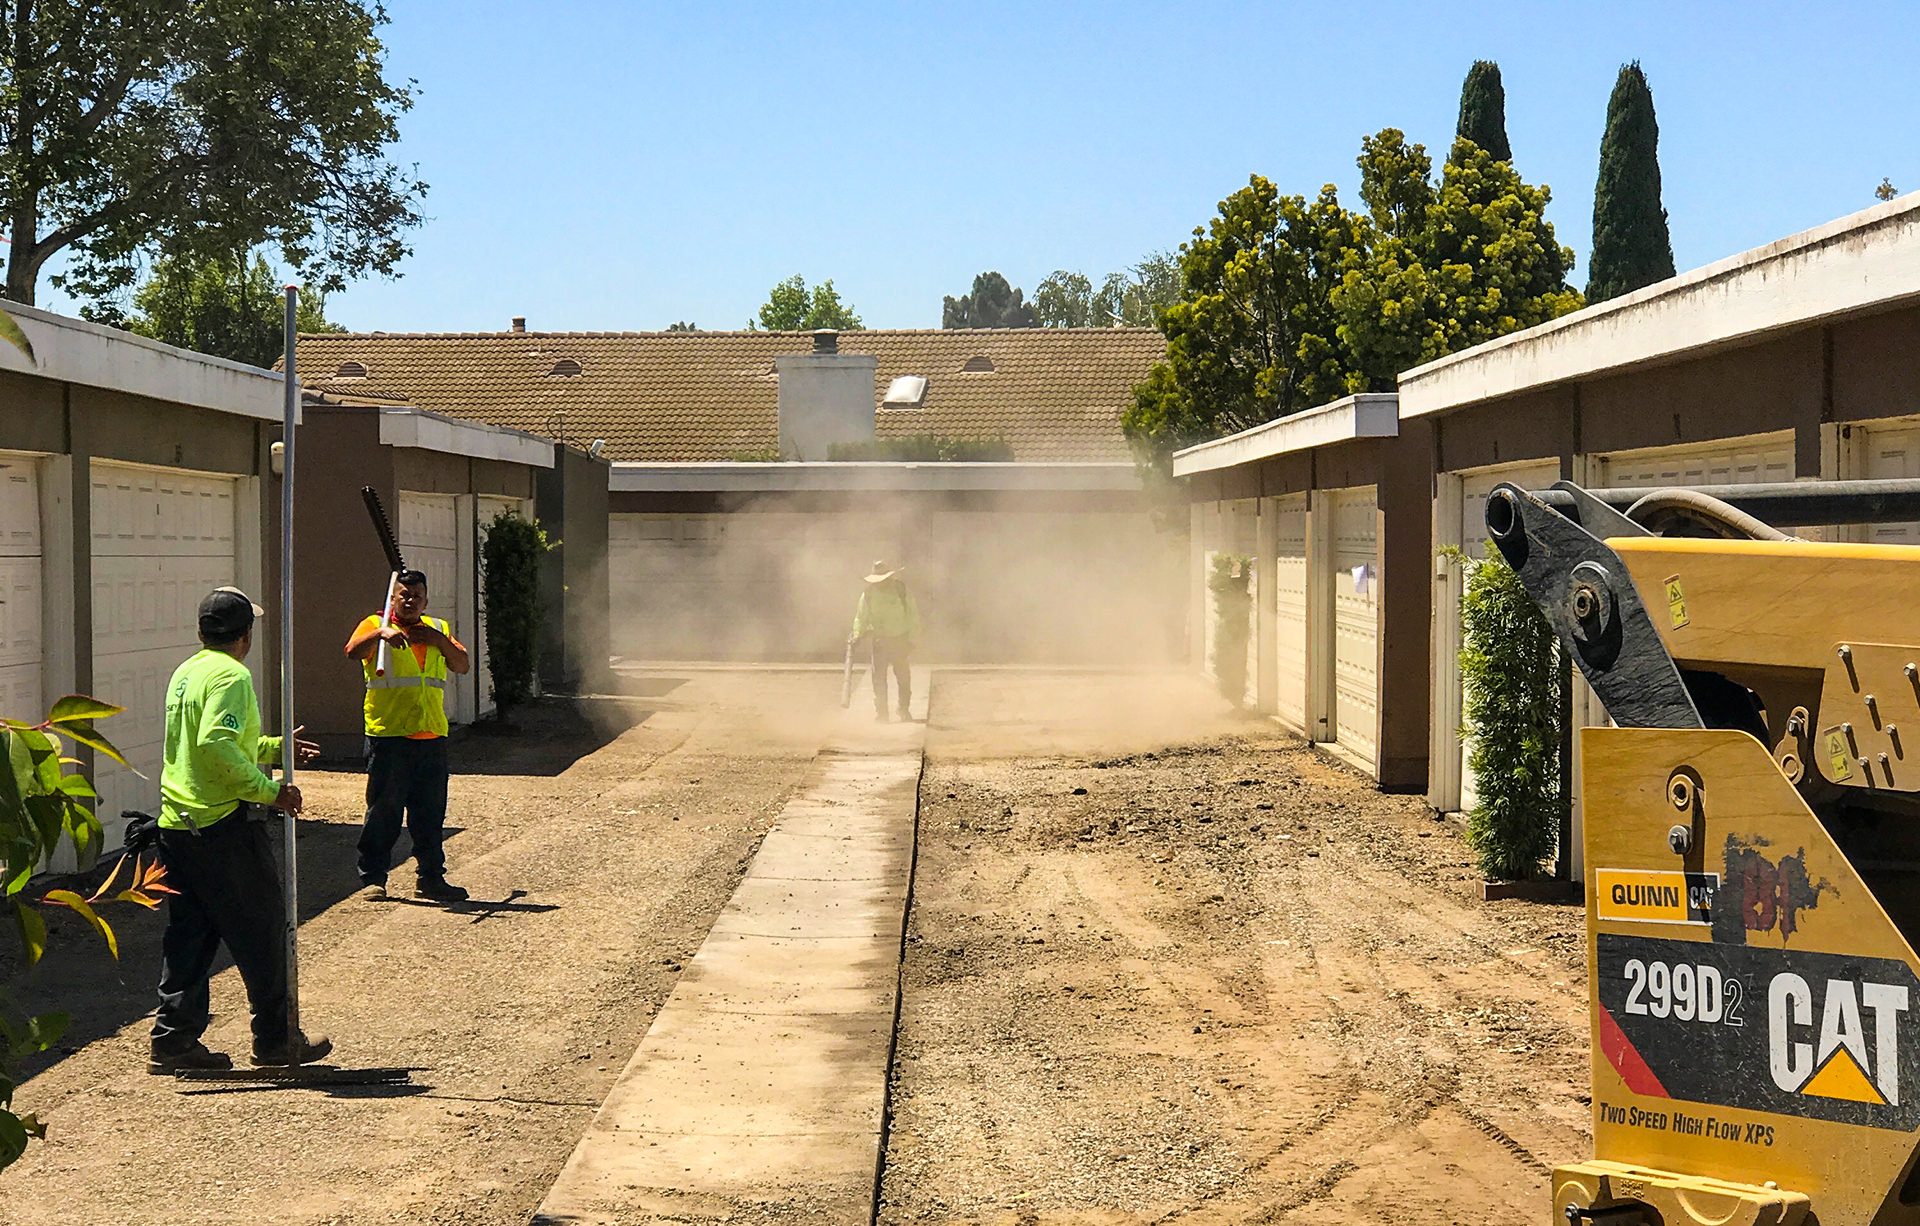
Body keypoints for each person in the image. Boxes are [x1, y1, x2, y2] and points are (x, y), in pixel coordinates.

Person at [150, 587, 328, 1074]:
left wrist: (274, 747)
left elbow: (213, 744)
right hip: (221, 827)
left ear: (202, 631)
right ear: (246, 635)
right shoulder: (232, 675)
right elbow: (215, 747)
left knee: (191, 934)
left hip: (178, 826)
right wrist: (272, 793)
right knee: (263, 930)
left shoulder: (187, 672)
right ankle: (275, 1041)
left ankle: (173, 1040)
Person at [344, 568, 471, 903]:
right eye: (404, 595)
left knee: (430, 815)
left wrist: (439, 641)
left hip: (431, 736)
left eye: (417, 596)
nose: (410, 600)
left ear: (426, 601)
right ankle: (373, 878)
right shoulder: (374, 625)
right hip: (389, 737)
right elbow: (352, 651)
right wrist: (380, 635)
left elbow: (461, 664)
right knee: (384, 812)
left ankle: (430, 879)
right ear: (392, 598)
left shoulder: (437, 629)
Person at [851, 560, 919, 722]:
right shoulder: (868, 594)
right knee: (879, 678)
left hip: (900, 639)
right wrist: (857, 635)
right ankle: (882, 712)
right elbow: (861, 617)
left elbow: (912, 615)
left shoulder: (901, 590)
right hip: (880, 640)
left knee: (903, 676)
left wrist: (912, 639)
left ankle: (903, 709)